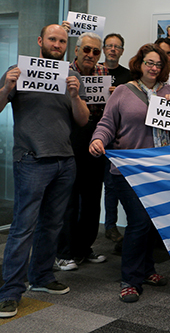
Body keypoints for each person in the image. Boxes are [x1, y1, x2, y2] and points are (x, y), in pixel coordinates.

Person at [0, 24, 89, 318]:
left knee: (52, 225)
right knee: (23, 227)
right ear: (40, 41)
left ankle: (41, 277)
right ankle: (10, 291)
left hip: (65, 161)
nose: (57, 44)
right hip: (31, 160)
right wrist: (6, 89)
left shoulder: (71, 76)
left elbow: (82, 120)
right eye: (52, 39)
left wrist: (75, 96)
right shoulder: (19, 71)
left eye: (62, 40)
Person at [89, 43, 170, 303]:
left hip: (160, 170)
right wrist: (98, 140)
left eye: (159, 64)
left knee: (152, 223)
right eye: (149, 62)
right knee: (139, 221)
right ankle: (130, 279)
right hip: (128, 169)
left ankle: (148, 269)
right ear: (139, 64)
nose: (154, 68)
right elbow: (107, 123)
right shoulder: (123, 92)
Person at [55, 32, 109, 271]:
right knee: (68, 198)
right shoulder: (62, 72)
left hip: (96, 138)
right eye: (86, 49)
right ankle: (63, 252)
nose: (90, 55)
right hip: (69, 137)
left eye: (96, 51)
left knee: (92, 197)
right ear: (76, 50)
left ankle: (84, 248)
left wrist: (114, 95)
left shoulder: (105, 74)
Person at [101, 33, 131, 244]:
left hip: (119, 138)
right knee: (102, 187)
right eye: (109, 46)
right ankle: (109, 225)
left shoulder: (128, 77)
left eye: (117, 46)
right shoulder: (95, 72)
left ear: (122, 51)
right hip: (95, 135)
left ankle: (117, 227)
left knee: (115, 183)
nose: (113, 49)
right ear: (104, 49)